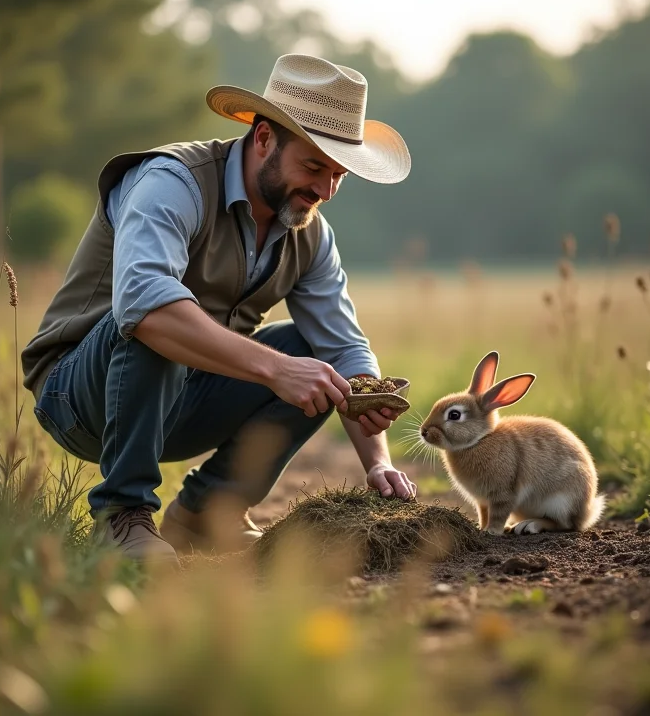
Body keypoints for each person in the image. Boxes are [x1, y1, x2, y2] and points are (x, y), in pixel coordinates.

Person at [21, 53, 416, 566]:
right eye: (314, 166)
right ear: (264, 138)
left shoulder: (310, 234)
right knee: (160, 319)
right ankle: (122, 516)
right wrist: (277, 371)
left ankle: (207, 513)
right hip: (79, 396)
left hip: (182, 400)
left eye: (339, 175)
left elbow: (343, 348)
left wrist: (377, 461)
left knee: (310, 349)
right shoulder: (171, 181)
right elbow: (145, 306)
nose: (325, 190)